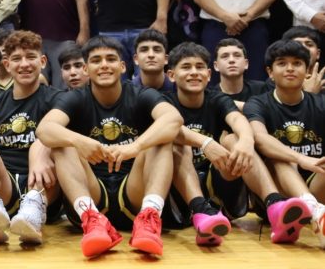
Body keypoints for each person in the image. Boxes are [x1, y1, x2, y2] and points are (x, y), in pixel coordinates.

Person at [38, 36, 183, 258]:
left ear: (123, 66)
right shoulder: (77, 98)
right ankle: (91, 220)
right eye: (96, 60)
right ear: (86, 69)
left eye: (111, 59)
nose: (104, 65)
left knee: (161, 140)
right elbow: (44, 129)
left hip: (133, 191)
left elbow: (173, 120)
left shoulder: (141, 94)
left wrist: (136, 146)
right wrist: (78, 140)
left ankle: (149, 218)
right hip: (92, 191)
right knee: (62, 143)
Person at [164, 42, 314, 245]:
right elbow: (172, 127)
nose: (194, 72)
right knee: (175, 145)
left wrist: (245, 141)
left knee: (234, 138)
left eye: (199, 67)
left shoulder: (217, 99)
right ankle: (201, 212)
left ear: (209, 74)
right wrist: (206, 143)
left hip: (218, 184)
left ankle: (274, 205)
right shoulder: (164, 101)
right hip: (179, 194)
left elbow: (237, 119)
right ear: (171, 75)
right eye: (186, 67)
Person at [0, 31, 61, 245]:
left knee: (59, 144)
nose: (24, 64)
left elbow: (62, 132)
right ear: (6, 64)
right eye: (16, 59)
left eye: (31, 57)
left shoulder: (58, 99)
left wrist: (40, 146)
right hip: (4, 187)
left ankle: (33, 209)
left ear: (42, 61)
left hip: (43, 188)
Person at [244, 39, 325, 243]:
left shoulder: (321, 103)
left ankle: (316, 211)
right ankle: (313, 209)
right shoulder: (258, 103)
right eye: (282, 63)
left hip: (318, 182)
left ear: (307, 71)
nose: (290, 68)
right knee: (277, 154)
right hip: (279, 193)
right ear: (270, 72)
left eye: (297, 63)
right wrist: (301, 159)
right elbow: (260, 138)